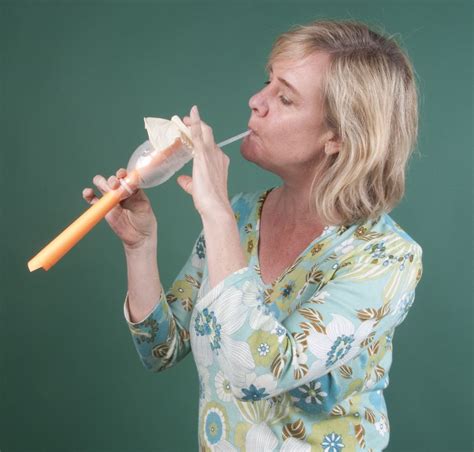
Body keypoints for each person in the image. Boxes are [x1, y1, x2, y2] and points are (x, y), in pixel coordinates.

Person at [83, 19, 423, 451]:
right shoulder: (243, 215)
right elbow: (162, 349)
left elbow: (258, 373)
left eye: (284, 97)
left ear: (337, 136)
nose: (256, 101)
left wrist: (217, 217)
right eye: (268, 82)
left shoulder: (387, 258)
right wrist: (140, 247)